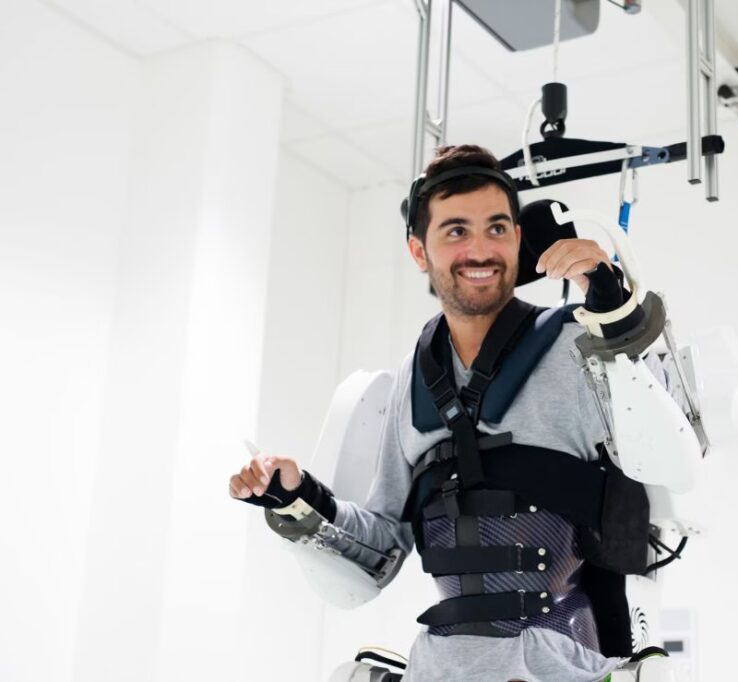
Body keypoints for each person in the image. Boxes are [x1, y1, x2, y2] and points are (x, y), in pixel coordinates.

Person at [229, 144, 667, 682]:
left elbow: (669, 439)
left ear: (518, 239)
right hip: (440, 668)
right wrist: (297, 497)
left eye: (497, 228)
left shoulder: (579, 345)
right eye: (457, 230)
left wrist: (612, 305)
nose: (480, 249)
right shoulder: (412, 380)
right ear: (419, 251)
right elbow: (383, 548)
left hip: (562, 666)